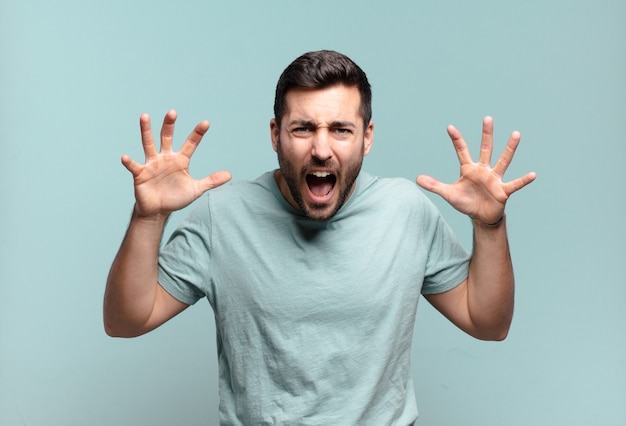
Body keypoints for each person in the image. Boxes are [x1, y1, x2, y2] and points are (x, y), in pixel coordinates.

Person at [104, 50, 536, 425]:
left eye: (341, 129)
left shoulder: (406, 212)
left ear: (367, 137)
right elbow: (126, 320)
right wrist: (149, 217)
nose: (322, 149)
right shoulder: (223, 216)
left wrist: (490, 226)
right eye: (303, 128)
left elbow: (488, 323)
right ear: (276, 134)